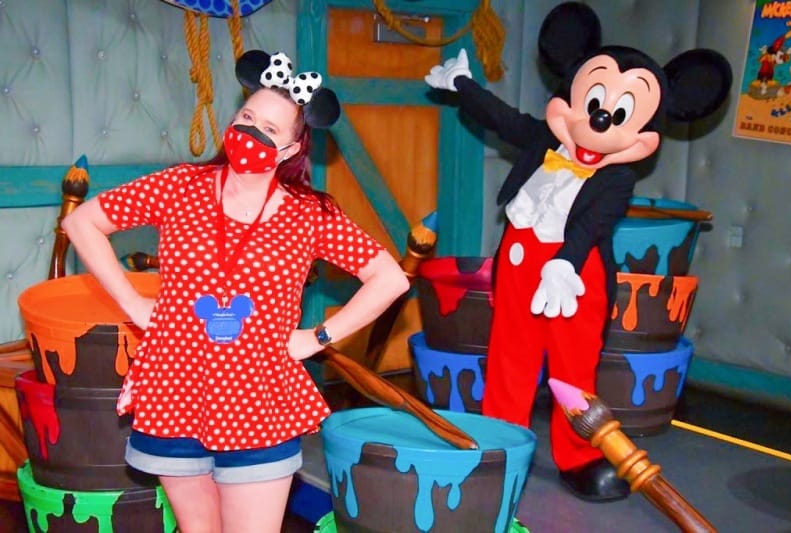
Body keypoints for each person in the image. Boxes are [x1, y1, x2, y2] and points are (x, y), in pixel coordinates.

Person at [62, 49, 410, 532]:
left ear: (290, 150)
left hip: (258, 400)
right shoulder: (179, 186)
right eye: (248, 116)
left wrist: (317, 337)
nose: (251, 131)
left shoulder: (310, 215)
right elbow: (83, 222)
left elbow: (389, 278)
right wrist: (135, 305)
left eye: (270, 129)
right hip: (174, 390)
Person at [424, 3, 731, 502]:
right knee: (509, 361)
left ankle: (578, 456)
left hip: (575, 279)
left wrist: (564, 263)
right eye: (592, 100)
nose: (600, 119)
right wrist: (463, 86)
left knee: (572, 374)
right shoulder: (545, 139)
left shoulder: (617, 176)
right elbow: (503, 119)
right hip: (520, 269)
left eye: (620, 114)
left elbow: (595, 224)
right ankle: (500, 446)